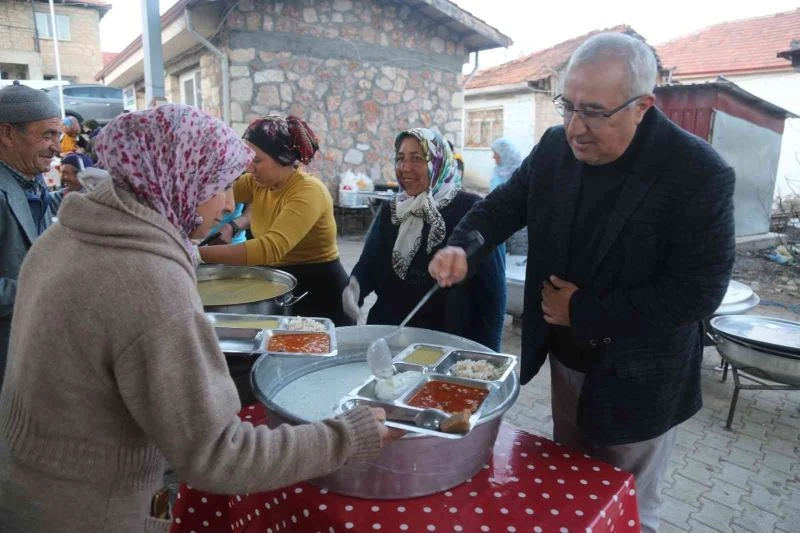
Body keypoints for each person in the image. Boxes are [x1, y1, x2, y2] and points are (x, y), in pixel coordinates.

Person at [0, 104, 393, 533]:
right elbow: (217, 456)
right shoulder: (148, 280)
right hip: (90, 510)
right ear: (178, 179)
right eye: (220, 185)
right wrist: (347, 436)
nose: (227, 202)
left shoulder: (67, 232)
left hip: (28, 484)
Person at [428, 33, 735, 533]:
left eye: (593, 112)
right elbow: (502, 207)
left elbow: (698, 291)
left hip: (641, 379)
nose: (575, 128)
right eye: (567, 106)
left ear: (642, 106)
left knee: (627, 505)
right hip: (566, 360)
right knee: (571, 484)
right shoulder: (554, 147)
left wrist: (584, 310)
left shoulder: (698, 174)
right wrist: (464, 246)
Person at [343, 128, 506, 351]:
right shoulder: (392, 210)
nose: (405, 167)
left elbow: (492, 298)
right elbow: (369, 265)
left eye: (417, 158)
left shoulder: (473, 212)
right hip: (389, 339)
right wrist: (355, 287)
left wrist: (488, 355)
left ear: (439, 163)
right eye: (400, 158)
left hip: (446, 346)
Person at [198, 115, 353, 325]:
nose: (250, 167)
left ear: (284, 157)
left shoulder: (308, 192)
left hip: (320, 291)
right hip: (279, 284)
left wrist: (196, 254)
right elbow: (214, 192)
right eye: (248, 158)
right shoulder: (256, 183)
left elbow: (269, 248)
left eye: (258, 160)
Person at [0, 82, 61, 387]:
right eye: (47, 135)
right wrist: (45, 290)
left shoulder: (33, 182)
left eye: (58, 136)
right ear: (7, 134)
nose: (57, 147)